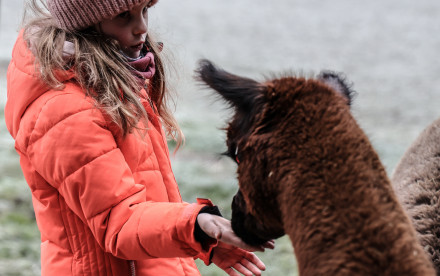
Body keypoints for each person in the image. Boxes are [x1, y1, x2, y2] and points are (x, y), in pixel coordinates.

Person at [4, 0, 274, 275]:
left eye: (145, 9)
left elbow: (144, 194)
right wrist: (194, 225)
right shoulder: (65, 110)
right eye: (124, 15)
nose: (142, 27)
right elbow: (119, 223)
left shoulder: (114, 80)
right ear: (83, 21)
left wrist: (202, 237)